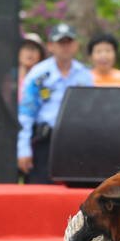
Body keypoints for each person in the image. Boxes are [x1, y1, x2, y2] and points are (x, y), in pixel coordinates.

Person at [17, 23, 93, 184]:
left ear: (76, 45)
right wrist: (23, 148)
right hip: (45, 142)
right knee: (40, 190)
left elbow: (91, 112)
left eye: (69, 42)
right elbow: (26, 113)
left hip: (76, 142)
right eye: (60, 42)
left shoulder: (85, 75)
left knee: (75, 191)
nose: (65, 47)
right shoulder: (38, 74)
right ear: (50, 46)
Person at [9, 33, 46, 103]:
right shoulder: (10, 78)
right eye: (27, 48)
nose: (30, 53)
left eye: (34, 49)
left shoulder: (44, 79)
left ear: (40, 55)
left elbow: (47, 101)